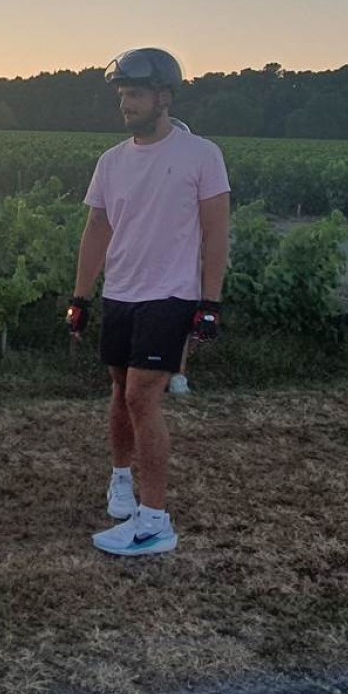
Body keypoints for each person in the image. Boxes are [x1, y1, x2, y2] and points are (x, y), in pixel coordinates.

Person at [67, 48, 229, 556]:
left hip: (171, 294)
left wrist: (210, 302)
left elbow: (216, 231)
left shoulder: (201, 155)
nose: (125, 104)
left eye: (134, 94)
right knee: (120, 391)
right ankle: (121, 480)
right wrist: (80, 296)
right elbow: (97, 228)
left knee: (141, 396)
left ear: (163, 97)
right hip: (120, 292)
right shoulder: (111, 161)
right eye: (122, 95)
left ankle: (155, 520)